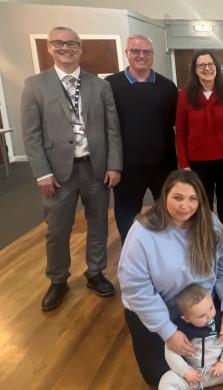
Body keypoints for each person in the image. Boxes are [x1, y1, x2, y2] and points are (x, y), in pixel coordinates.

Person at [21, 26, 122, 311]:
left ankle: (95, 272)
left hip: (95, 168)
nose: (66, 48)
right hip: (57, 172)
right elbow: (31, 135)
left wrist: (114, 164)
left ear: (81, 48)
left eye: (72, 43)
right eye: (59, 43)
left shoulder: (100, 86)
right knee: (56, 229)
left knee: (99, 223)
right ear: (49, 48)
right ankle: (57, 279)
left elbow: (112, 129)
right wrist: (42, 172)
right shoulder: (35, 85)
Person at [118, 170, 223, 386]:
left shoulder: (210, 223)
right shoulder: (142, 233)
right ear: (164, 197)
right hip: (158, 310)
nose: (185, 206)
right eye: (178, 198)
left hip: (201, 307)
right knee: (158, 377)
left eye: (193, 199)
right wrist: (167, 331)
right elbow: (136, 289)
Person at [106, 34, 178, 244]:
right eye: (135, 51)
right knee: (127, 215)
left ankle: (166, 250)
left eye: (146, 52)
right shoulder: (110, 85)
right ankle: (131, 253)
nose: (141, 56)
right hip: (127, 166)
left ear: (152, 55)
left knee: (167, 211)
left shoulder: (167, 87)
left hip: (163, 165)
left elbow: (176, 123)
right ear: (126, 53)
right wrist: (111, 164)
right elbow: (105, 127)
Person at [175, 50, 223, 236]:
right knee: (202, 206)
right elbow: (181, 132)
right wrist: (184, 164)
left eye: (210, 64)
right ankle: (204, 244)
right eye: (201, 65)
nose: (206, 68)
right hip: (198, 163)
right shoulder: (185, 94)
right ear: (195, 70)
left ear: (217, 68)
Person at [159, 284, 223, 390]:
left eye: (211, 307)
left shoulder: (219, 320)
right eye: (201, 316)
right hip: (193, 377)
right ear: (186, 319)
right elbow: (170, 351)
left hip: (217, 371)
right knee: (166, 379)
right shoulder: (181, 330)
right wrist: (186, 372)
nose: (210, 316)